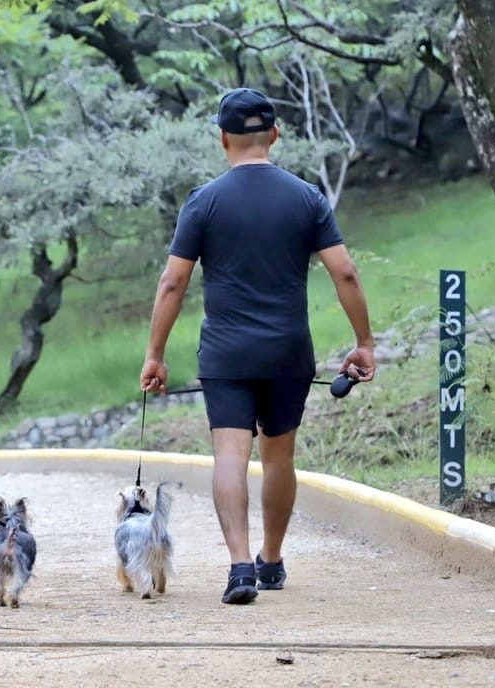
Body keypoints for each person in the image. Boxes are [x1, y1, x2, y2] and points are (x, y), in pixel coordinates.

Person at [139, 88, 375, 605]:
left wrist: (155, 354)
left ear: (222, 138)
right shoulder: (308, 197)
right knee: (279, 456)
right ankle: (271, 560)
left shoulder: (203, 201)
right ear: (275, 134)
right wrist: (363, 343)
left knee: (229, 453)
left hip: (226, 353)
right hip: (289, 351)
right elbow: (346, 272)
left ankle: (240, 566)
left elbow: (172, 284)